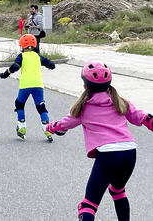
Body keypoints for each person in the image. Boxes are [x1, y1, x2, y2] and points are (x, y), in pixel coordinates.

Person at [45, 60, 153, 221]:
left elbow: (63, 125)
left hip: (109, 155)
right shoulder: (120, 102)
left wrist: (51, 127)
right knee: (117, 190)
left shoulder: (83, 107)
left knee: (88, 205)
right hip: (130, 153)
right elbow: (144, 118)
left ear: (85, 86)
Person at [0, 34, 55, 140]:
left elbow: (15, 66)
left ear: (21, 45)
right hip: (38, 85)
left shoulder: (22, 56)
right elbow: (50, 64)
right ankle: (47, 128)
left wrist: (5, 74)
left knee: (19, 104)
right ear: (35, 45)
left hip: (25, 85)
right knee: (41, 106)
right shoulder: (38, 56)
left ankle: (22, 126)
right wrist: (50, 65)